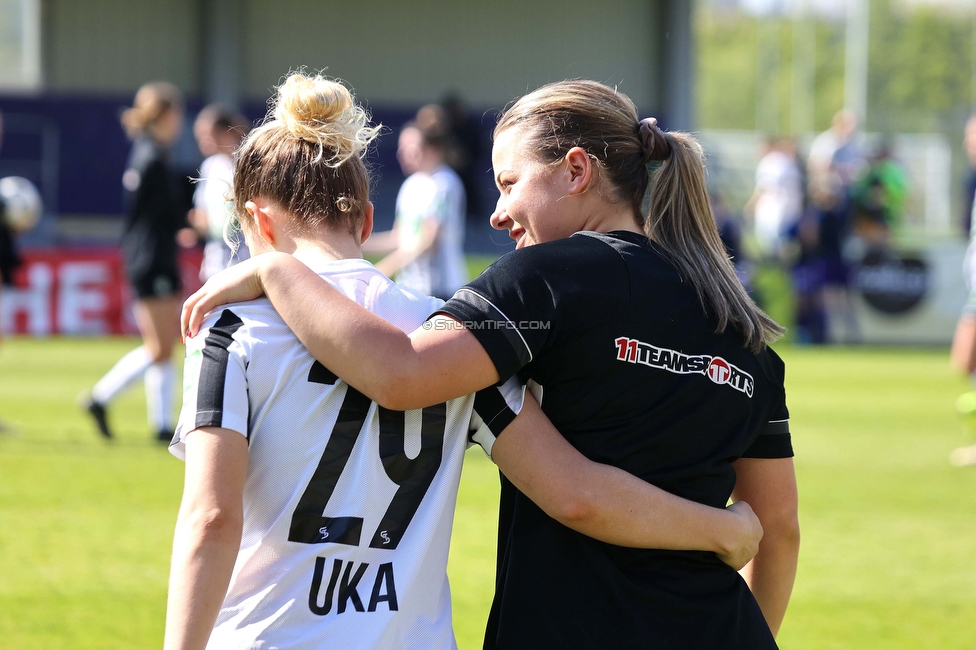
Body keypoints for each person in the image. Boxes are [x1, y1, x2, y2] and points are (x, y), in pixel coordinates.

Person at [184, 79, 800, 648]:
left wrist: (277, 268)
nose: (498, 213)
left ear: (577, 172)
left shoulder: (548, 281)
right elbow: (780, 531)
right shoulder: (743, 328)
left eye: (508, 184)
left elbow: (402, 372)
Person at [81, 82, 186, 441]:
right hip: (152, 257)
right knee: (160, 345)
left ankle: (160, 425)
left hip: (149, 254)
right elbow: (157, 216)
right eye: (176, 114)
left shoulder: (147, 153)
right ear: (165, 114)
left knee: (164, 343)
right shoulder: (152, 158)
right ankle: (101, 397)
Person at [364, 105, 467, 300]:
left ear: (432, 149)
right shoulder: (410, 186)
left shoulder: (445, 183)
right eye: (402, 149)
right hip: (409, 288)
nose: (403, 155)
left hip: (440, 290)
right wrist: (356, 243)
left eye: (411, 150)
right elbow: (400, 237)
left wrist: (381, 270)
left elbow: (427, 241)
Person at [187, 104, 250, 281]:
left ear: (227, 132)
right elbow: (202, 212)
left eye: (208, 135)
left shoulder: (249, 165)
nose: (203, 142)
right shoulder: (209, 166)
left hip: (246, 260)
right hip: (216, 261)